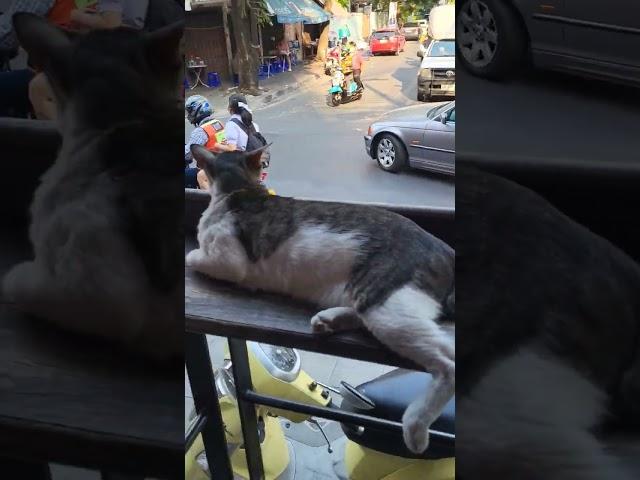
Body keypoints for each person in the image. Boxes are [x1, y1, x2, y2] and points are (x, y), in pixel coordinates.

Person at [184, 95, 234, 189]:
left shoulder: (201, 131)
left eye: (190, 111)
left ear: (197, 110)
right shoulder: (218, 123)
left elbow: (187, 155)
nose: (188, 115)